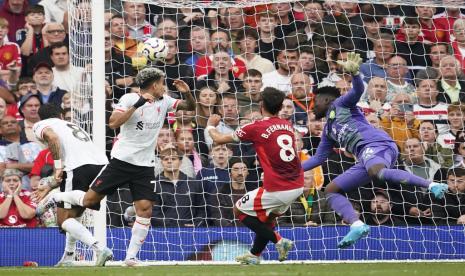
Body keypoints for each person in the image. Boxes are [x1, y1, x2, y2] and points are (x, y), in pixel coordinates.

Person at [48, 68, 196, 266]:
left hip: (145, 165)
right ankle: (56, 197)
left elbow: (189, 107)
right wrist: (139, 104)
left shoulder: (165, 101)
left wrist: (187, 92)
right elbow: (113, 122)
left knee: (145, 210)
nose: (165, 87)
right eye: (162, 83)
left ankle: (131, 257)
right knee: (90, 201)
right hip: (121, 161)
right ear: (154, 85)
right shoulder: (128, 98)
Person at [301, 52, 449, 249]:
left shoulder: (341, 104)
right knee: (331, 190)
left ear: (326, 100)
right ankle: (357, 224)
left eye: (315, 100)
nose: (312, 105)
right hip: (366, 158)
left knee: (377, 171)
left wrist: (355, 75)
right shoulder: (328, 130)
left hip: (379, 145)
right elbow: (318, 158)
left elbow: (357, 91)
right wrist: (292, 168)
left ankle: (432, 185)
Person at [206, 87, 304, 264]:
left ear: (261, 105)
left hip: (277, 187)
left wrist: (211, 124)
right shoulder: (287, 125)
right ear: (281, 106)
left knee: (238, 209)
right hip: (297, 185)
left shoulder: (255, 127)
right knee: (266, 218)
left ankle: (279, 241)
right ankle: (254, 255)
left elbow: (219, 139)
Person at [31, 103, 111, 266]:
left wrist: (58, 167)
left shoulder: (41, 124)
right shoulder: (70, 125)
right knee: (75, 215)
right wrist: (51, 184)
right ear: (61, 115)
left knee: (63, 220)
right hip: (102, 166)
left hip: (77, 167)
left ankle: (99, 248)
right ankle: (69, 256)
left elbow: (52, 138)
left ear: (41, 118)